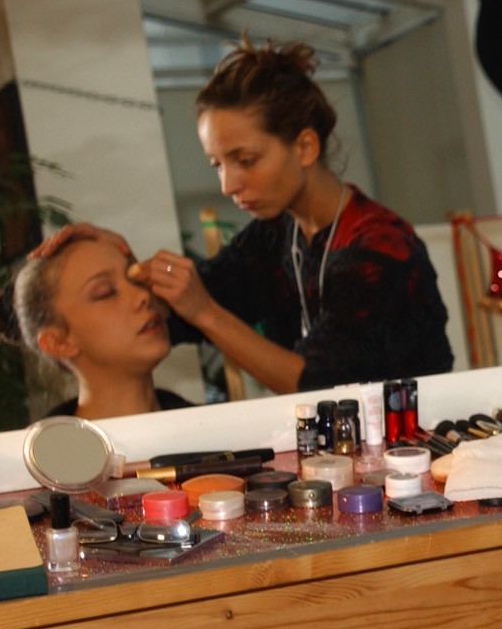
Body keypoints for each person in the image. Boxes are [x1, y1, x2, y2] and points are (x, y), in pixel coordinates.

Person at [135, 39, 453, 393]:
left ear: (305, 147)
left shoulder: (380, 248)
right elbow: (193, 297)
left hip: (418, 427)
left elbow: (315, 383)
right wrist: (119, 268)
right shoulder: (275, 235)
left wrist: (205, 313)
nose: (228, 185)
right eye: (217, 165)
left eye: (246, 161)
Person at [0, 229, 192, 420]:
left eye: (136, 280)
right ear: (58, 342)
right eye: (106, 293)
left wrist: (203, 312)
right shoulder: (53, 447)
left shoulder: (203, 427)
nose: (142, 295)